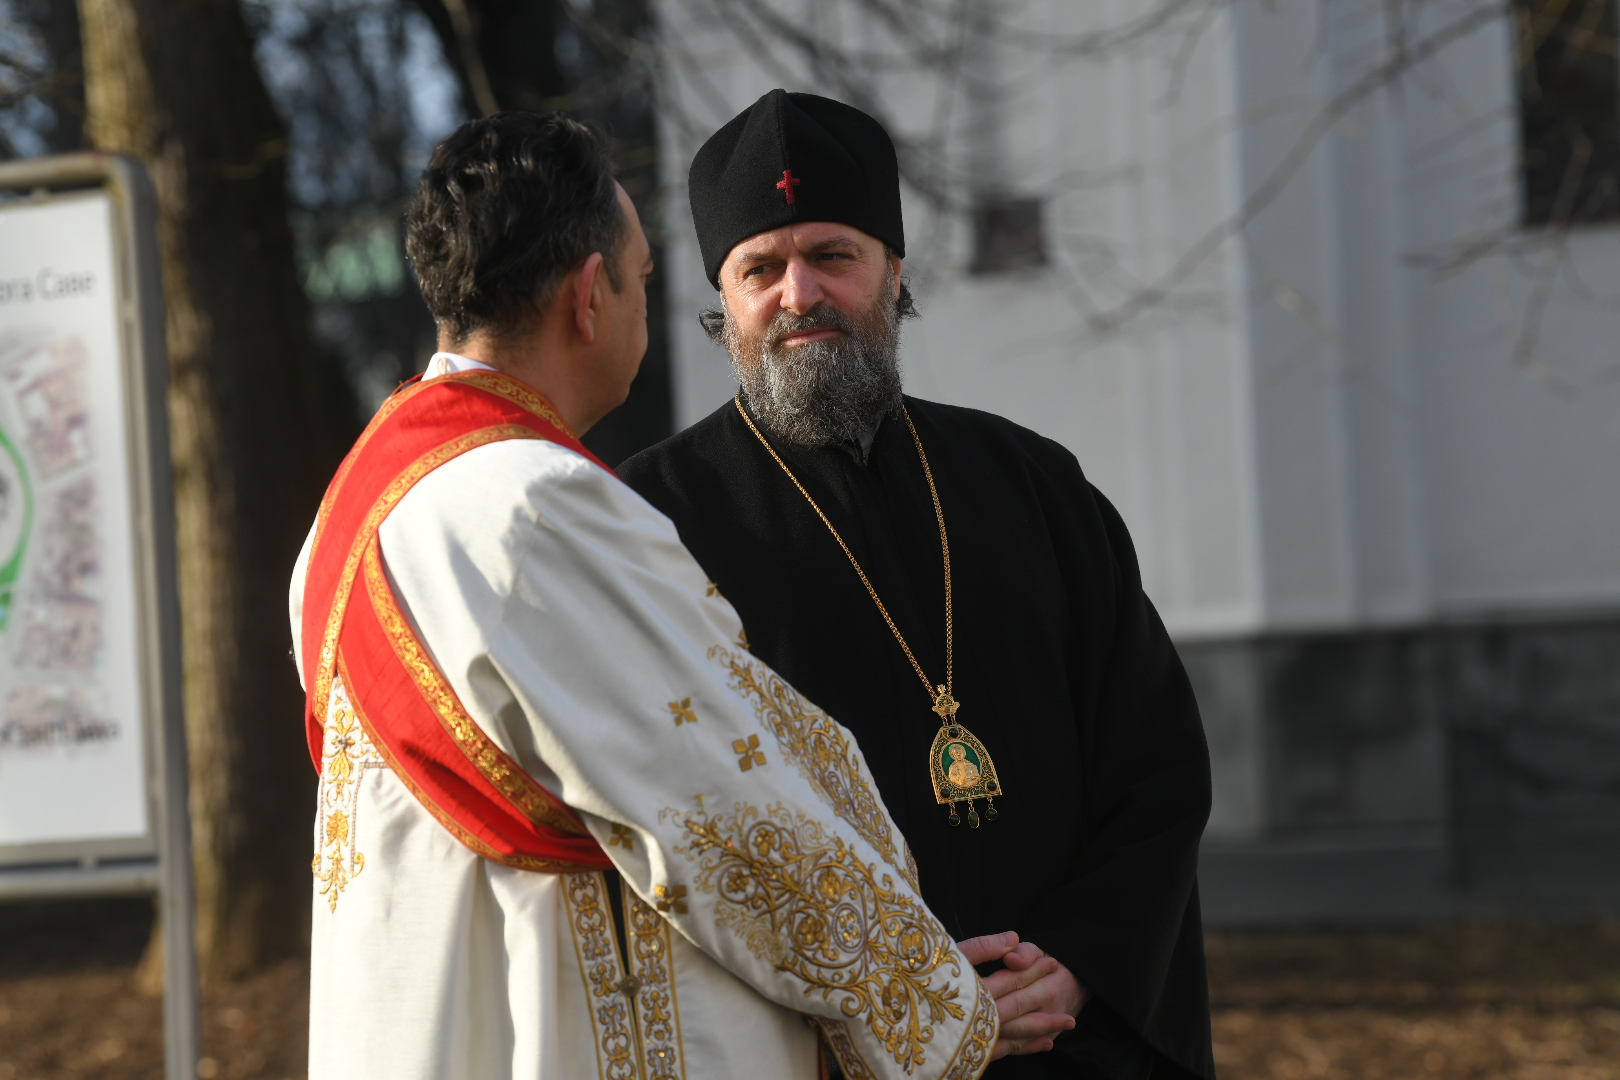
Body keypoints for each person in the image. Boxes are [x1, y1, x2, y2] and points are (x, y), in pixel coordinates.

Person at [289, 112, 1019, 1080]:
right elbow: (732, 806)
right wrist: (936, 1004)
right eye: (639, 277)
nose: (644, 305)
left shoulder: (354, 502)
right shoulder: (533, 509)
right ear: (590, 297)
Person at [618, 90, 1216, 1080]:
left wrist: (1078, 963)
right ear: (722, 304)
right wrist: (904, 999)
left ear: (897, 274)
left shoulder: (1031, 483)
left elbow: (1155, 762)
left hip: (1074, 1039)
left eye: (834, 255)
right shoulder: (650, 524)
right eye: (762, 268)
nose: (800, 291)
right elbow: (676, 828)